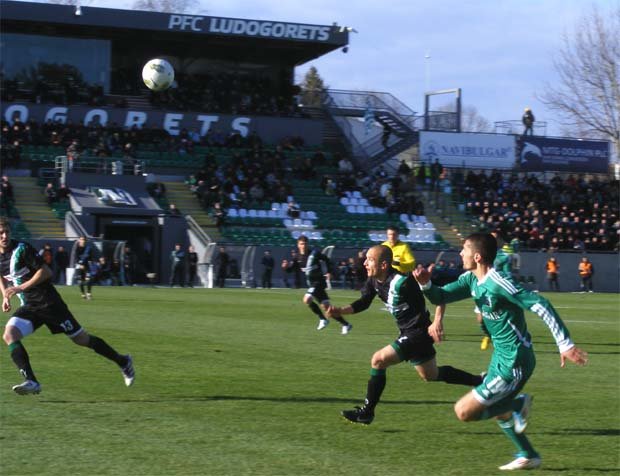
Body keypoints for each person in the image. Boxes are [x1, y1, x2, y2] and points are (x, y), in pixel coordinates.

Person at [413, 232, 587, 471]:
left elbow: (540, 304)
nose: (460, 253)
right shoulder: (470, 280)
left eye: (463, 249)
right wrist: (425, 283)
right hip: (500, 357)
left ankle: (517, 405)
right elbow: (440, 296)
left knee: (464, 411)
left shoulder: (499, 282)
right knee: (498, 412)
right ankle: (528, 455)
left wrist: (565, 344)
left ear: (477, 256)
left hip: (515, 361)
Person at [327, 245, 483, 425]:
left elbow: (440, 295)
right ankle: (480, 380)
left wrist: (437, 321)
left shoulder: (404, 281)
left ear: (384, 265)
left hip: (418, 333)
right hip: (409, 333)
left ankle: (366, 412)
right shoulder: (373, 281)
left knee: (378, 360)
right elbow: (363, 302)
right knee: (430, 375)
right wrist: (340, 310)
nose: (364, 263)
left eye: (369, 259)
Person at [0, 216, 135, 395]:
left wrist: (19, 288)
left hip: (50, 303)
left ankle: (123, 361)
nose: (4, 236)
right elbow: (2, 277)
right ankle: (31, 381)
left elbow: (46, 272)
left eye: (6, 232)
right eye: (0, 233)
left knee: (81, 340)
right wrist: (5, 297)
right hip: (30, 306)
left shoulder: (22, 249)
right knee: (9, 334)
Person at [296, 235, 352, 334]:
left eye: (305, 244)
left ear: (307, 244)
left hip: (318, 282)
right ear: (298, 245)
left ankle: (322, 319)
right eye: (301, 244)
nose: (303, 246)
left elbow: (327, 260)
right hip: (312, 284)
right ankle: (346, 324)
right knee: (327, 308)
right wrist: (286, 267)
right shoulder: (298, 257)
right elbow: (292, 268)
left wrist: (329, 272)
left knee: (307, 299)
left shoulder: (314, 253)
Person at [477, 230, 512, 351]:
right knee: (480, 318)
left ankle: (504, 341)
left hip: (497, 290)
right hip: (482, 290)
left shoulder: (504, 257)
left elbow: (508, 274)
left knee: (500, 317)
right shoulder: (481, 254)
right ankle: (488, 335)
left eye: (495, 238)